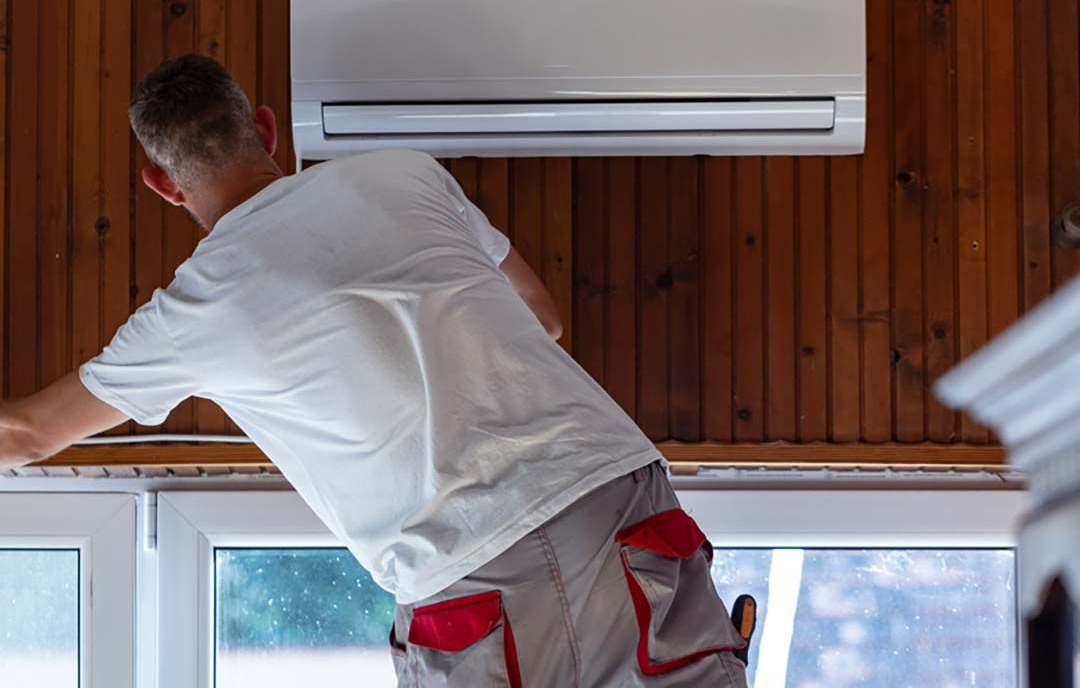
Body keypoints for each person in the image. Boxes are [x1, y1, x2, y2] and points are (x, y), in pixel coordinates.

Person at [0, 54, 749, 687]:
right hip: (611, 497)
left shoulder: (195, 307)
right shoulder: (406, 175)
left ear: (161, 184)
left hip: (468, 569)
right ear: (265, 128)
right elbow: (543, 318)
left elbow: (28, 433)